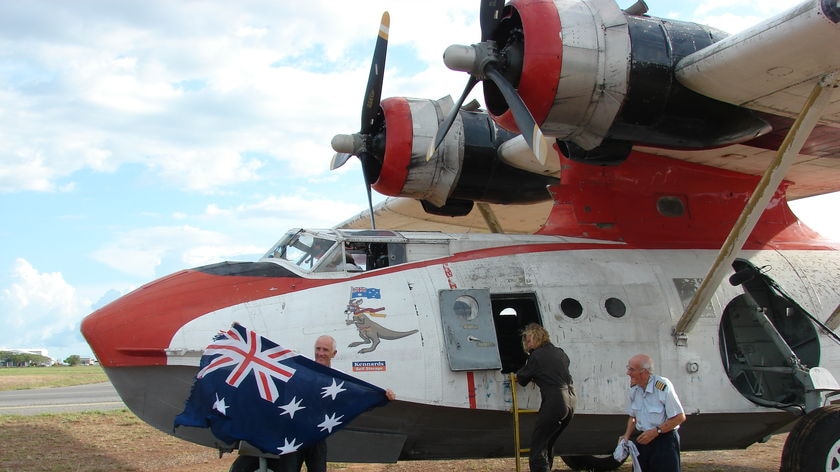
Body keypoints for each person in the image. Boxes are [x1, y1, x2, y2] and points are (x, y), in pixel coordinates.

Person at [291, 335, 395, 472]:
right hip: (292, 435)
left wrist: (382, 398)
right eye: (318, 349)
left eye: (325, 350)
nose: (320, 353)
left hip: (317, 436)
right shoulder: (302, 372)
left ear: (334, 354)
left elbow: (357, 401)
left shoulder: (340, 380)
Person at [515, 323, 575, 472]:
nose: (527, 344)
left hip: (555, 401)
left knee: (537, 448)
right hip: (571, 399)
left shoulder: (536, 356)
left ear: (537, 338)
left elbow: (522, 379)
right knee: (548, 443)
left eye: (529, 341)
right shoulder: (560, 352)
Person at [620, 354, 686, 471]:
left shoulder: (662, 386)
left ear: (644, 372)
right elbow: (633, 417)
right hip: (643, 440)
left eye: (631, 369)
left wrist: (656, 431)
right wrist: (626, 436)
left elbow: (679, 417)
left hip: (663, 441)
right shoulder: (634, 389)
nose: (628, 373)